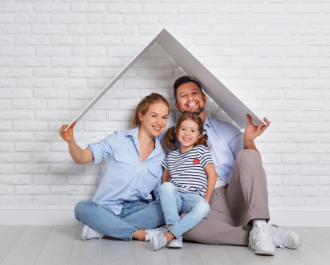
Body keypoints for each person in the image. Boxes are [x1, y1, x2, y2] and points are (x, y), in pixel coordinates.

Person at [166, 76, 301, 255]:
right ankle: (265, 235)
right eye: (183, 96)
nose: (190, 99)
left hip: (234, 196)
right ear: (177, 105)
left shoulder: (226, 130)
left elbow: (252, 163)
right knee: (183, 226)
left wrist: (248, 141)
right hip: (203, 203)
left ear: (204, 98)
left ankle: (260, 224)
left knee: (248, 153)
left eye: (194, 93)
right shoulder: (171, 138)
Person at [59, 93, 170, 242]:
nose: (160, 122)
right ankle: (140, 234)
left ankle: (103, 230)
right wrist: (71, 141)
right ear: (141, 116)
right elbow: (81, 158)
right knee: (81, 208)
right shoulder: (118, 139)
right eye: (154, 116)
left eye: (164, 117)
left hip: (137, 210)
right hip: (106, 209)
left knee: (165, 207)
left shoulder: (161, 156)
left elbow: (159, 195)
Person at [153, 113, 217, 251]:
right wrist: (165, 195)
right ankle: (173, 229)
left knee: (204, 207)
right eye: (183, 129)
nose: (187, 133)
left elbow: (213, 175)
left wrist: (206, 198)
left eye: (192, 130)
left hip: (193, 198)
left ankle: (170, 236)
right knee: (166, 186)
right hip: (176, 198)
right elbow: (165, 179)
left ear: (199, 135)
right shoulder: (172, 156)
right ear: (177, 132)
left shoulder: (201, 151)